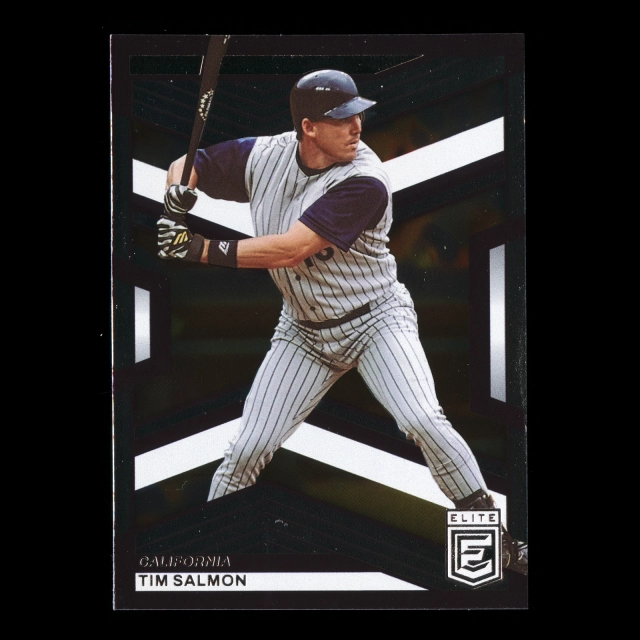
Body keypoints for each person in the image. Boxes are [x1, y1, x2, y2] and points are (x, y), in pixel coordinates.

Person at [157, 69, 527, 575]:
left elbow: (291, 250)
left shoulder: (365, 179)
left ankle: (496, 540)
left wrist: (199, 249)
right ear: (308, 128)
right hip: (303, 332)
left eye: (358, 115)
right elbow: (188, 164)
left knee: (422, 420)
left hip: (375, 321)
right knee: (246, 449)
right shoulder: (265, 155)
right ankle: (212, 558)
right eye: (342, 118)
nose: (357, 126)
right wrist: (177, 191)